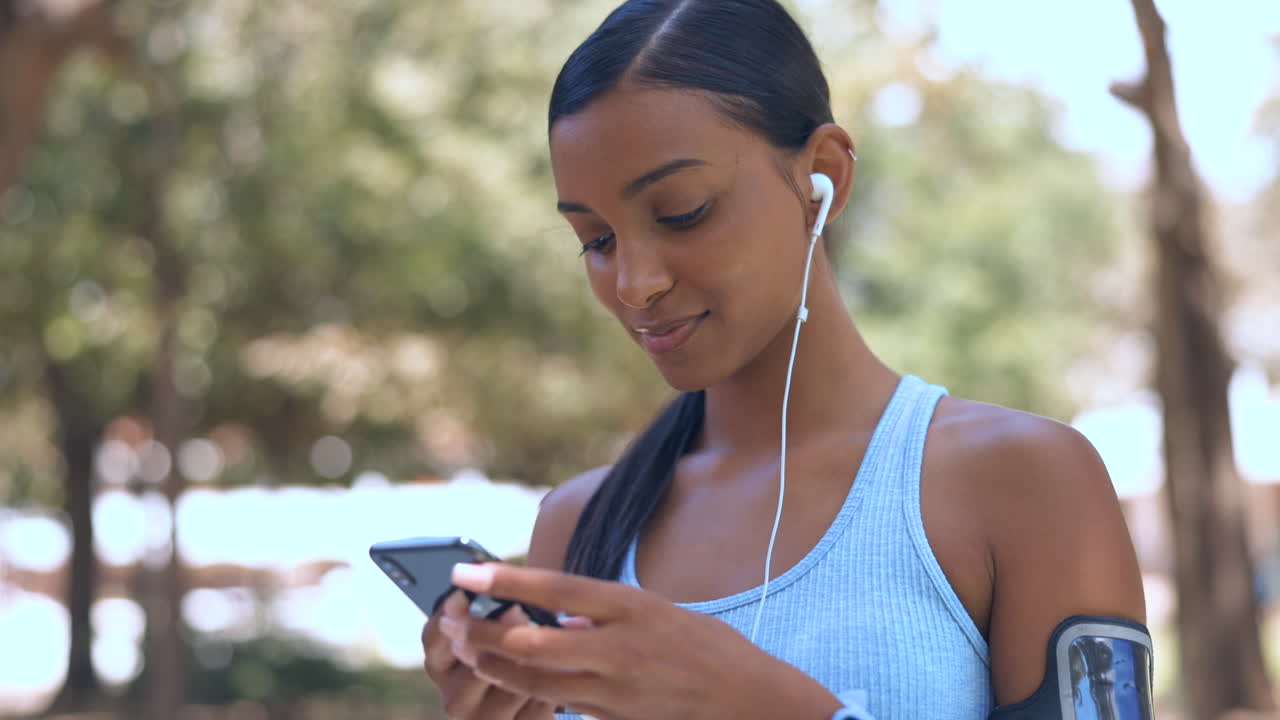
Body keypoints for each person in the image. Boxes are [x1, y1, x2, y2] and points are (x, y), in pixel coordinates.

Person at [421, 1, 1153, 718]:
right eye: (596, 239)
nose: (635, 283)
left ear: (822, 177)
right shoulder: (577, 528)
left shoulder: (1022, 482)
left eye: (682, 212)